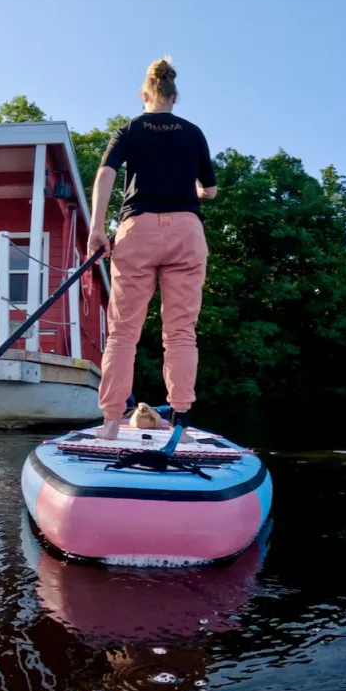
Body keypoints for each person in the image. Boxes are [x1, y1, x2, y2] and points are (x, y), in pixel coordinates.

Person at [87, 57, 217, 440]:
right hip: (186, 233)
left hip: (137, 230)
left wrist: (97, 228)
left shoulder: (128, 130)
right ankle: (181, 423)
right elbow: (209, 189)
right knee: (180, 332)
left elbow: (105, 175)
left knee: (122, 333)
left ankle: (111, 424)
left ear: (144, 95)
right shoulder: (193, 133)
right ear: (174, 97)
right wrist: (194, 190)